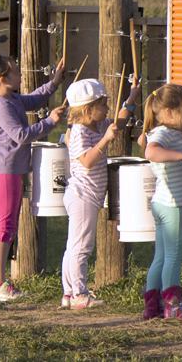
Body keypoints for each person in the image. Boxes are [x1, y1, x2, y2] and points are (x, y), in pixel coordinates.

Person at [0, 54, 69, 302]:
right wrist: (50, 122)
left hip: (8, 170)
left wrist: (55, 82)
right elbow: (21, 135)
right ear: (3, 79)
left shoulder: (9, 97)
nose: (20, 75)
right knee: (3, 228)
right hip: (4, 172)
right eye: (15, 72)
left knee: (7, 227)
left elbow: (32, 100)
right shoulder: (0, 106)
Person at [59, 77, 140, 309]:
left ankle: (68, 293)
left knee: (73, 245)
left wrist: (132, 97)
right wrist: (105, 140)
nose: (107, 109)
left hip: (88, 196)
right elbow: (86, 161)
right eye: (103, 105)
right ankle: (79, 295)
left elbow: (120, 123)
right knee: (82, 247)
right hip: (83, 196)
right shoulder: (78, 132)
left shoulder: (99, 124)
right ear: (88, 109)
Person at [139, 83, 182, 320]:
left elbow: (142, 142)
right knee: (174, 257)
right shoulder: (163, 134)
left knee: (161, 256)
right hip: (175, 205)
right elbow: (151, 153)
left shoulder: (162, 132)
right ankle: (173, 307)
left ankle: (152, 306)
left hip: (162, 203)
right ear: (169, 112)